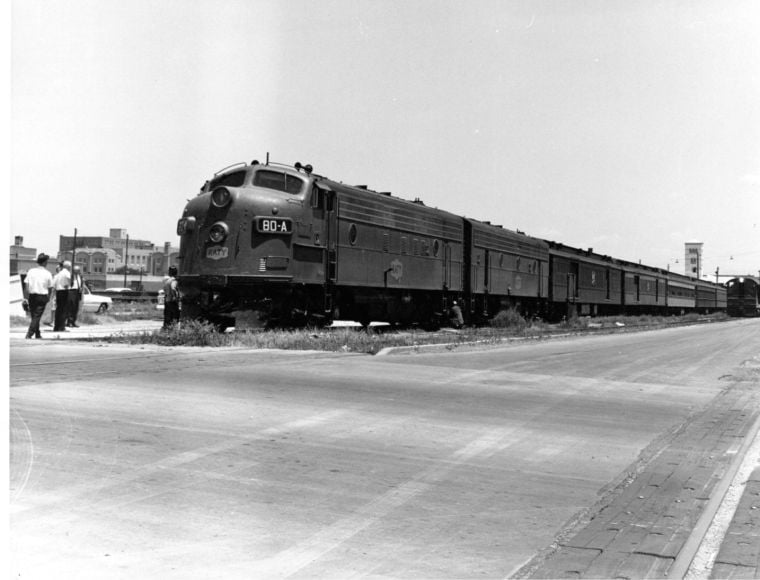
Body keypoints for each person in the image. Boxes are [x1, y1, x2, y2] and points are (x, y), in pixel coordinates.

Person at [24, 253, 54, 339]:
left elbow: (26, 284)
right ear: (44, 262)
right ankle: (29, 334)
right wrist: (48, 297)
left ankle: (37, 333)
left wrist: (26, 297)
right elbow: (50, 287)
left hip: (32, 296)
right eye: (47, 261)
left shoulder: (31, 271)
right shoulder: (48, 273)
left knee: (34, 315)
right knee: (36, 316)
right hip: (42, 296)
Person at [53, 260, 72, 331]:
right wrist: (68, 285)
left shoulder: (59, 273)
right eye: (69, 267)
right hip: (64, 291)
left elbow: (54, 283)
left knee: (58, 309)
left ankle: (56, 326)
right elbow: (68, 282)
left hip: (58, 291)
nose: (70, 268)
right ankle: (61, 327)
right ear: (67, 266)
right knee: (64, 310)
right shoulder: (67, 273)